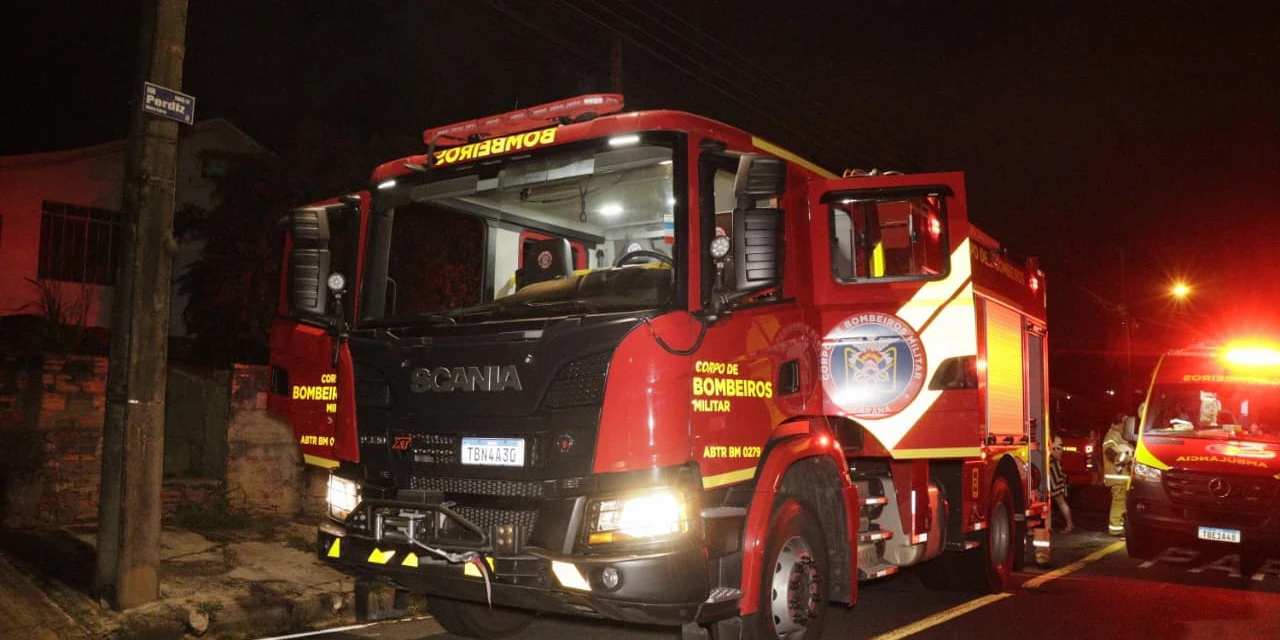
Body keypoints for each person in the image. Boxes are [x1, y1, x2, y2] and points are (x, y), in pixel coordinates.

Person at [1101, 413, 1133, 536]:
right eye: (1123, 423)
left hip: (1121, 477)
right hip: (1117, 477)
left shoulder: (1119, 436)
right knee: (1118, 502)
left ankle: (1119, 526)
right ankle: (1115, 529)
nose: (1124, 425)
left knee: (1121, 502)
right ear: (1115, 424)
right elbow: (1110, 451)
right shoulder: (1112, 436)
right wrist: (1128, 459)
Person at [1049, 436, 1074, 533]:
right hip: (1050, 473)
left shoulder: (1056, 440)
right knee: (1047, 502)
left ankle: (1069, 524)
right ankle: (1048, 526)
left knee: (1060, 500)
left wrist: (1050, 449)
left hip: (1054, 474)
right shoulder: (1050, 438)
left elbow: (1058, 455)